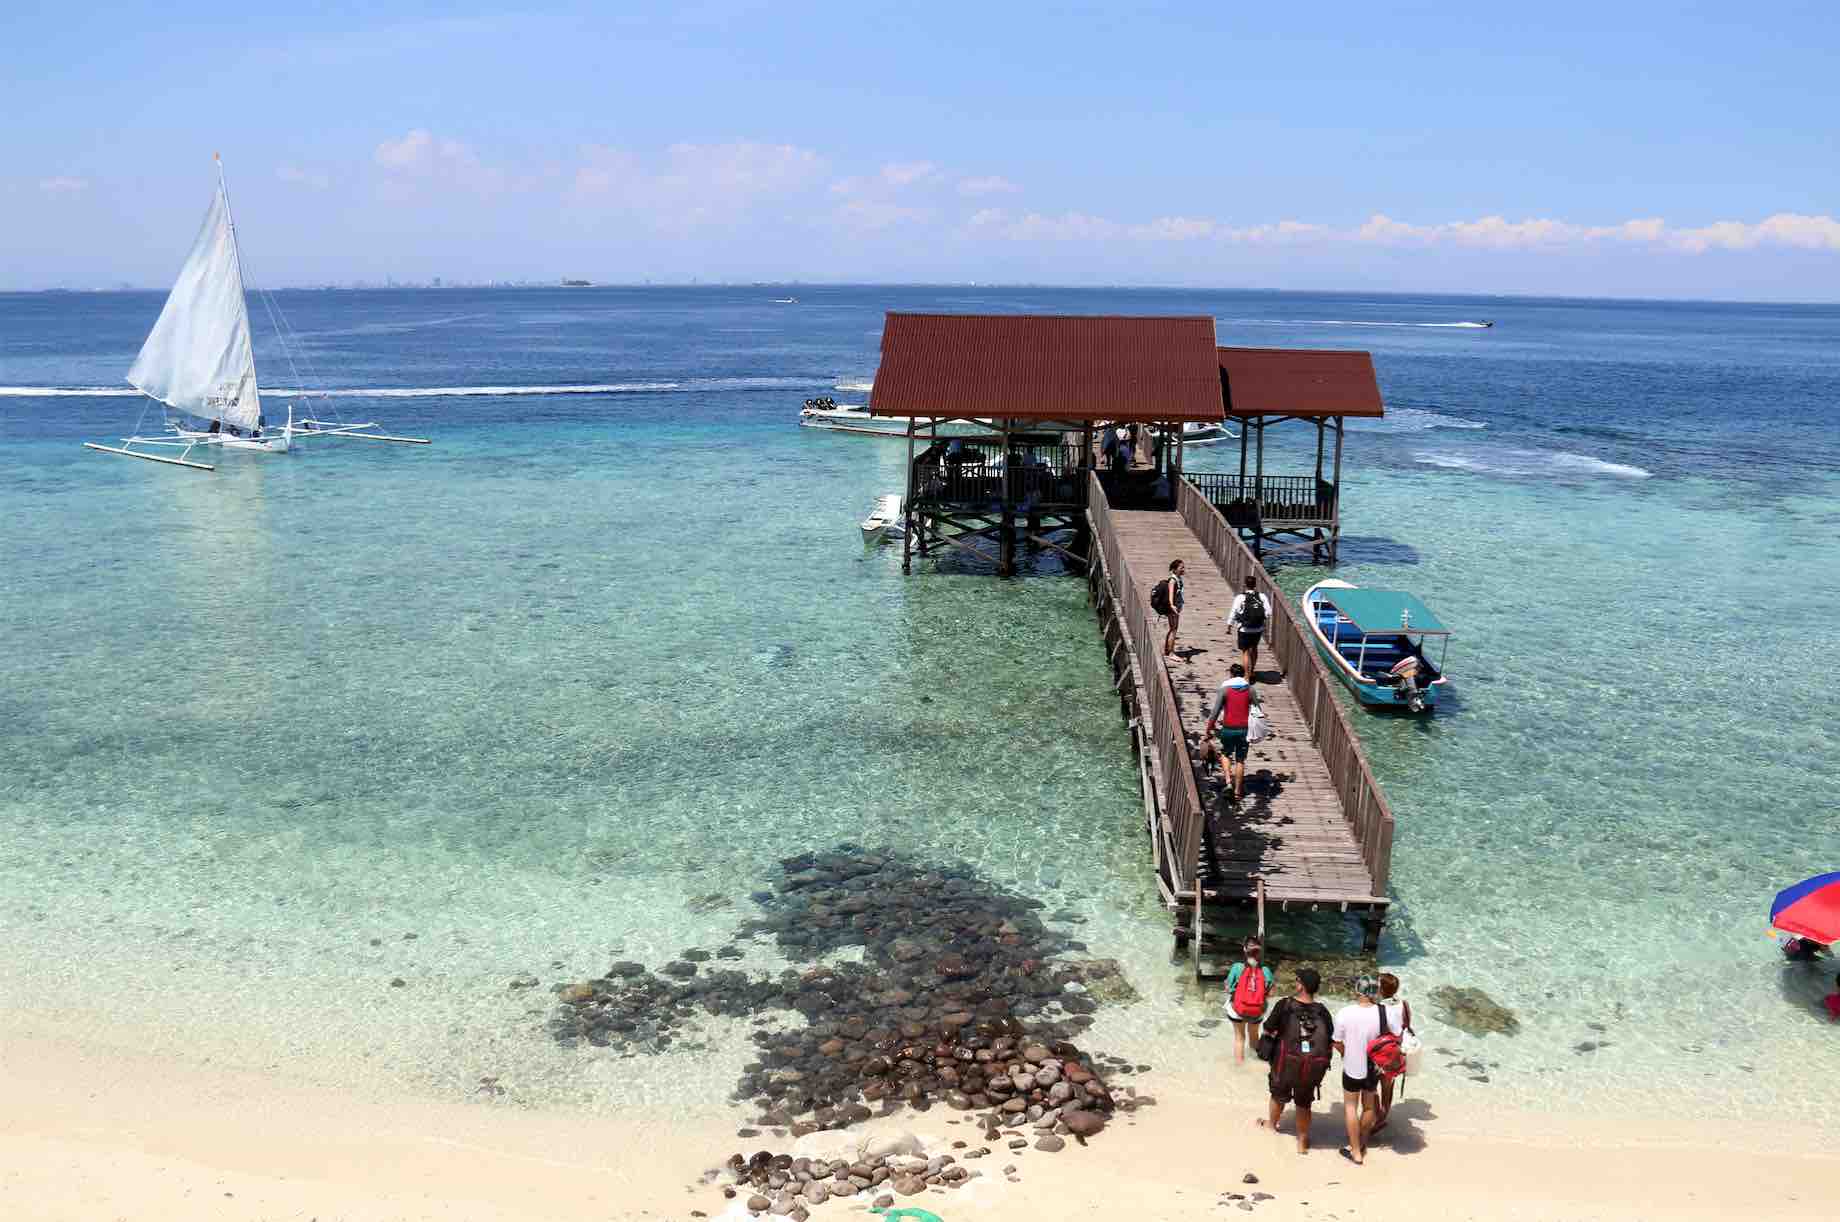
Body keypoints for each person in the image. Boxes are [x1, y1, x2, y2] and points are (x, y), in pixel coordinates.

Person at [1257, 967, 1334, 1153]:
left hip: (1284, 1064)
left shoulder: (1285, 1005)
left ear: (1301, 986)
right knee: (1304, 1102)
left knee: (1278, 1094)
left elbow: (1268, 1028)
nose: (1295, 983)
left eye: (1297, 980)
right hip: (1311, 1067)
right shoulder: (1322, 1011)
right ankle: (1302, 1140)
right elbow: (1331, 1037)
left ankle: (1271, 1125)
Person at [1331, 974, 1385, 1165]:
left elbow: (1336, 1041)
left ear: (1357, 990)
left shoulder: (1345, 1013)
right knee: (1369, 1106)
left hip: (1352, 1066)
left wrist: (1345, 1053)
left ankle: (1355, 1151)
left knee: (1350, 1107)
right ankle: (1362, 1143)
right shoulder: (1383, 1012)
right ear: (1375, 992)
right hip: (1374, 1067)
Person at [1203, 663, 1261, 802]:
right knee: (1240, 760)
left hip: (1228, 728)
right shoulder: (1250, 690)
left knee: (1225, 754)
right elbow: (1258, 710)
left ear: (1231, 674)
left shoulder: (1225, 690)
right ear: (1243, 675)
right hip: (1244, 730)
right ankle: (1237, 793)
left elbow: (1215, 712)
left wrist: (1209, 728)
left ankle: (1228, 782)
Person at [1222, 936, 1274, 1064]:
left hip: (1237, 1009)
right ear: (1259, 951)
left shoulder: (1237, 967)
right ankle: (1255, 1065)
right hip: (1256, 1010)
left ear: (1244, 949)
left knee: (1239, 1038)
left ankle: (1240, 1067)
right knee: (1254, 1037)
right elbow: (1271, 993)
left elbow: (1228, 989)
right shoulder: (1265, 970)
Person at [1373, 972, 1413, 1133]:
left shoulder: (1379, 1008)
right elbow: (1406, 1026)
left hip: (1380, 1052)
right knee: (1388, 1086)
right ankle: (1383, 1116)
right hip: (1397, 1051)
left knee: (1371, 1087)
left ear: (1381, 989)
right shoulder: (1404, 1004)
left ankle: (1377, 1117)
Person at [1228, 575, 1272, 677]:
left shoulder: (1240, 597)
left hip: (1244, 629)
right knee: (1254, 648)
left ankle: (1246, 676)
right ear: (1255, 585)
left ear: (1245, 585)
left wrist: (1229, 625)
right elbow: (1269, 612)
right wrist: (1260, 619)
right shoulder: (1262, 596)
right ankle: (1252, 671)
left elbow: (1233, 612)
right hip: (1258, 628)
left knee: (1245, 652)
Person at [1153, 559, 1185, 657]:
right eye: (1181, 568)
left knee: (1173, 629)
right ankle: (1171, 653)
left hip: (1176, 607)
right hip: (1173, 608)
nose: (1183, 569)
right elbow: (1170, 595)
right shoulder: (1173, 580)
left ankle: (1167, 650)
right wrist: (1172, 606)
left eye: (1183, 567)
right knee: (1173, 629)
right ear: (1175, 569)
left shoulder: (1178, 579)